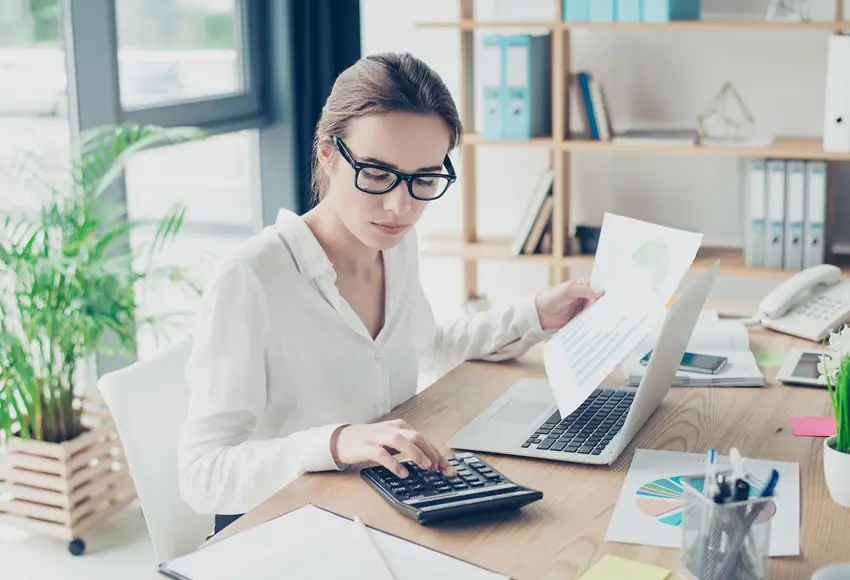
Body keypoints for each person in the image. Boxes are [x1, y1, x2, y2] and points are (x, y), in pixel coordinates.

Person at [177, 52, 604, 534]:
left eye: (424, 179)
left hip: (377, 509)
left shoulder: (395, 247)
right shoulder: (250, 278)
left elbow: (431, 348)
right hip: (285, 528)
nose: (400, 206)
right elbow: (202, 475)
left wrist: (535, 316)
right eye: (377, 174)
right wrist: (335, 443)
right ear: (328, 155)